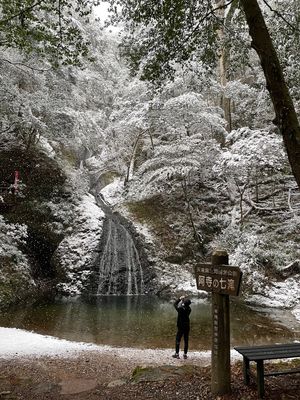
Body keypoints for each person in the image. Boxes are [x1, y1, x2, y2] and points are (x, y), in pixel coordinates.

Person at [172, 295, 191, 359]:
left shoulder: (180, 309)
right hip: (187, 326)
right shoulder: (189, 309)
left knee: (178, 339)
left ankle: (177, 354)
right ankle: (185, 354)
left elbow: (175, 304)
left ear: (184, 304)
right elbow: (184, 306)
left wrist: (179, 299)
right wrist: (183, 301)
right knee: (186, 340)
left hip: (180, 326)